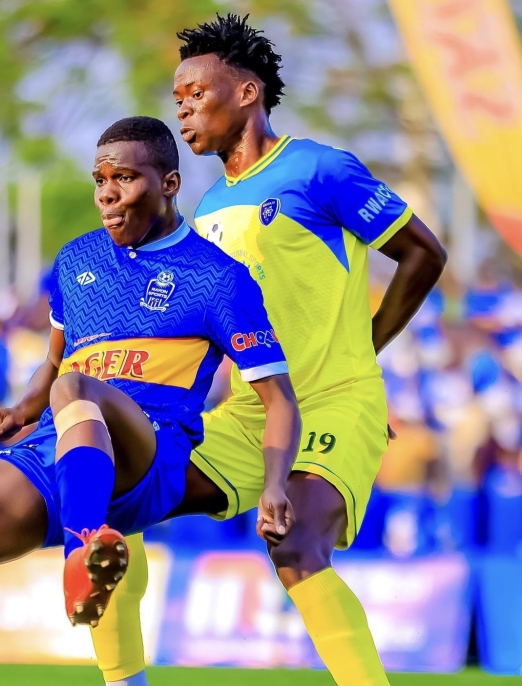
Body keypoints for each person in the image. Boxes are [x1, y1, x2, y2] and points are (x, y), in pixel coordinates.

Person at [89, 15, 447, 686]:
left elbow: (423, 253)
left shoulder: (319, 169)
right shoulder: (204, 213)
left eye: (197, 92)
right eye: (178, 98)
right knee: (114, 495)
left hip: (335, 403)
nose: (183, 109)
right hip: (249, 417)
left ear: (248, 92)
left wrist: (363, 349)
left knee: (295, 546)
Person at [0, 116, 301, 686]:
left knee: (77, 387)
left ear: (169, 184)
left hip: (148, 453)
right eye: (100, 180)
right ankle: (85, 550)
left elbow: (280, 401)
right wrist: (21, 410)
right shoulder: (76, 260)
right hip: (60, 443)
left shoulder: (218, 279)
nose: (107, 194)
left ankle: (82, 551)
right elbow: (55, 362)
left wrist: (276, 484)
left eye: (124, 178)